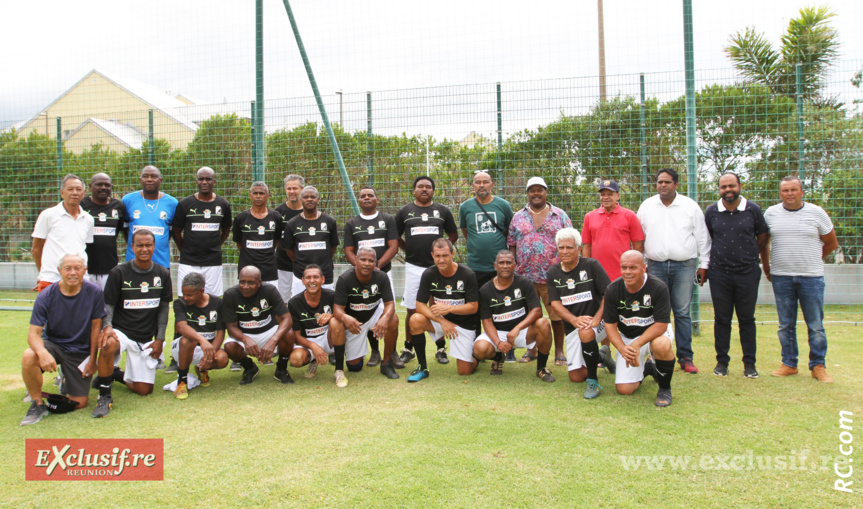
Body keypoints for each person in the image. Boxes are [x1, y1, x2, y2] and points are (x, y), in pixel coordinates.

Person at [20, 254, 113, 425]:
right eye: (67, 268)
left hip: (79, 350)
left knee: (79, 403)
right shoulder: (46, 295)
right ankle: (37, 404)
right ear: (59, 271)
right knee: (29, 355)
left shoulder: (94, 292)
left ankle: (65, 380)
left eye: (78, 268)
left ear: (84, 270)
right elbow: (33, 333)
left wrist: (92, 360)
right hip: (53, 345)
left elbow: (95, 328)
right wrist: (42, 353)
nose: (73, 273)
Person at [762, 176, 838, 383]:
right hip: (781, 277)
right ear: (780, 193)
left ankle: (818, 366)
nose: (789, 193)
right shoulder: (771, 214)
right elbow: (763, 243)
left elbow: (831, 242)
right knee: (785, 324)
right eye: (785, 190)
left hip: (811, 278)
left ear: (802, 192)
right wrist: (767, 267)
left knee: (815, 324)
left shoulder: (816, 213)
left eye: (794, 189)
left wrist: (814, 258)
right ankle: (789, 363)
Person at [637, 168, 710, 374]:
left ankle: (685, 357)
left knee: (682, 312)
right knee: (653, 312)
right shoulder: (647, 206)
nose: (662, 185)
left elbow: (703, 237)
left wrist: (704, 264)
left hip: (684, 266)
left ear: (676, 185)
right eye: (659, 182)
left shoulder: (690, 206)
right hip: (655, 266)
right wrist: (640, 263)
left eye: (667, 182)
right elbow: (640, 237)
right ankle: (652, 354)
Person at [703, 173, 769, 378]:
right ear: (719, 189)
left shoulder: (753, 210)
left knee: (746, 319)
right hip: (719, 273)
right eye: (723, 187)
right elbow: (710, 239)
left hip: (747, 273)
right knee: (721, 319)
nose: (728, 190)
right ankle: (722, 362)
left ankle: (750, 364)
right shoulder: (712, 211)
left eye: (731, 186)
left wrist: (749, 256)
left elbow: (763, 236)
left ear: (739, 186)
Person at [100, 230, 173, 400]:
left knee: (144, 390)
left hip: (145, 337)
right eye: (139, 245)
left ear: (154, 246)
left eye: (148, 245)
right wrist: (108, 327)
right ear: (132, 247)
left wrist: (160, 339)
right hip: (121, 333)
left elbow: (163, 309)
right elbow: (108, 304)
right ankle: (104, 394)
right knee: (108, 344)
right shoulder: (118, 272)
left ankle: (116, 374)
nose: (144, 249)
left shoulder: (163, 273)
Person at [508, 176, 572, 366]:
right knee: (529, 314)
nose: (536, 193)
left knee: (557, 315)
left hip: (553, 276)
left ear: (546, 192)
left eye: (540, 189)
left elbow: (570, 241)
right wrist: (514, 268)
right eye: (532, 190)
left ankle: (559, 351)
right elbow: (512, 243)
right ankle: (532, 349)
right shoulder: (518, 216)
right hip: (525, 277)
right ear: (527, 193)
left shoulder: (559, 215)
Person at [395, 176, 459, 366]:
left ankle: (440, 349)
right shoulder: (405, 211)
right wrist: (409, 250)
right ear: (414, 190)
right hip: (414, 266)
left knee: (436, 305)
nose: (424, 189)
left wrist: (440, 255)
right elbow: (395, 236)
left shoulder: (442, 211)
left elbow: (453, 235)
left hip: (436, 268)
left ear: (433, 190)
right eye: (420, 186)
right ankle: (409, 348)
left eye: (428, 187)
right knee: (412, 308)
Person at [581, 179, 643, 373]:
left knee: (624, 315)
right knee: (601, 315)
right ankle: (604, 353)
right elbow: (587, 246)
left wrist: (635, 271)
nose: (605, 197)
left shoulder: (630, 216)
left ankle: (627, 351)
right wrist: (586, 272)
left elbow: (638, 244)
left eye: (610, 193)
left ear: (618, 196)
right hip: (598, 278)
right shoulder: (590, 217)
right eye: (602, 193)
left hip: (623, 277)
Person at [603, 250, 676, 407]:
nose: (627, 272)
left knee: (661, 345)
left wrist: (637, 345)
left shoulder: (658, 287)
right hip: (628, 337)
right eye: (624, 267)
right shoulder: (613, 289)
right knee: (625, 389)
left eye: (633, 268)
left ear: (644, 268)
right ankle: (649, 368)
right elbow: (610, 325)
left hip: (654, 334)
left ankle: (664, 388)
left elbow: (661, 324)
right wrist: (623, 349)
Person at [547, 228, 613, 399]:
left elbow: (609, 293)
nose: (564, 251)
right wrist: (574, 319)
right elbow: (555, 303)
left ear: (579, 248)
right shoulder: (553, 272)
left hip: (599, 323)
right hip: (574, 327)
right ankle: (601, 356)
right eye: (561, 248)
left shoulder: (591, 265)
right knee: (576, 377)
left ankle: (593, 380)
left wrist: (598, 318)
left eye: (569, 247)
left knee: (586, 332)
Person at [472, 250, 554, 382]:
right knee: (479, 350)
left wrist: (517, 328)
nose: (505, 266)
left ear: (515, 265)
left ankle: (541, 368)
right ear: (495, 266)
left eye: (509, 262)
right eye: (501, 263)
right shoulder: (485, 290)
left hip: (521, 331)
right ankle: (498, 358)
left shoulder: (524, 283)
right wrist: (498, 343)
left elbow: (537, 310)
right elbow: (486, 321)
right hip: (498, 333)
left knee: (543, 323)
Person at [343, 186, 401, 368]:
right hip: (361, 277)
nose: (366, 198)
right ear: (359, 201)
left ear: (377, 199)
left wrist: (376, 267)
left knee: (386, 313)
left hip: (383, 274)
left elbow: (393, 246)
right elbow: (348, 251)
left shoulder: (388, 219)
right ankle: (375, 351)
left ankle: (391, 353)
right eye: (363, 196)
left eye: (370, 195)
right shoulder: (351, 223)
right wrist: (362, 269)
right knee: (366, 309)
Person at [406, 238, 478, 382]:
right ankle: (422, 368)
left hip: (463, 325)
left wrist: (449, 308)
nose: (441, 260)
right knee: (415, 320)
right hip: (442, 322)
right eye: (438, 256)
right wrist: (442, 321)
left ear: (452, 254)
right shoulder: (428, 274)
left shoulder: (467, 274)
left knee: (465, 371)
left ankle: (475, 356)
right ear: (432, 255)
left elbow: (473, 307)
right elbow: (420, 305)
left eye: (445, 255)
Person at [458, 171, 514, 357]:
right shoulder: (465, 207)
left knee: (504, 308)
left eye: (485, 182)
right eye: (478, 182)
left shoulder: (503, 205)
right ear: (472, 185)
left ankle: (507, 347)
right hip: (475, 267)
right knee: (474, 308)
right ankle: (475, 347)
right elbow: (466, 232)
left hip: (499, 269)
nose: (481, 185)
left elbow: (509, 233)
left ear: (492, 184)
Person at [333, 247, 401, 383]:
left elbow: (390, 304)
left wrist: (385, 318)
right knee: (354, 366)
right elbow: (337, 309)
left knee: (393, 318)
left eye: (371, 260)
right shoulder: (344, 279)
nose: (367, 263)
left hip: (374, 313)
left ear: (375, 262)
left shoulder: (381, 277)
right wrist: (346, 317)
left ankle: (386, 363)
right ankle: (359, 351)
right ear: (356, 261)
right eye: (363, 259)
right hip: (355, 323)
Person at [222, 266, 295, 385]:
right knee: (230, 346)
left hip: (269, 331)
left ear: (259, 283)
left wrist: (273, 340)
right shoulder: (230, 295)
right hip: (244, 334)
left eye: (251, 283)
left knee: (288, 334)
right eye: (242, 282)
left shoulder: (270, 290)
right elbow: (231, 327)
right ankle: (250, 367)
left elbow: (287, 319)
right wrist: (245, 339)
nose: (245, 286)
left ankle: (281, 369)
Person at [171, 166, 232, 296]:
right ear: (196, 181)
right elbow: (176, 231)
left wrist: (216, 245)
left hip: (213, 261)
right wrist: (185, 249)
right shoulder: (185, 204)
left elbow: (226, 230)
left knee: (212, 298)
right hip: (188, 261)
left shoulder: (223, 204)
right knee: (186, 297)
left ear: (214, 182)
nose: (204, 182)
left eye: (208, 179)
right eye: (201, 179)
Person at [170, 272, 229, 400]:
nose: (185, 297)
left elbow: (220, 332)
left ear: (201, 291)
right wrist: (201, 339)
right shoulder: (179, 303)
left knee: (223, 358)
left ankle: (202, 370)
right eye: (184, 294)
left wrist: (210, 354)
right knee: (188, 340)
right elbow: (182, 327)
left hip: (207, 348)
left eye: (189, 295)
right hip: (182, 348)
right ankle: (182, 381)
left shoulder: (218, 303)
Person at [31, 174, 94, 292]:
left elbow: (85, 248)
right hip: (51, 279)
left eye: (78, 189)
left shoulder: (88, 219)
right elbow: (36, 249)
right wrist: (44, 275)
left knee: (79, 311)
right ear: (62, 193)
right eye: (70, 189)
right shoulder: (48, 215)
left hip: (79, 280)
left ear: (83, 193)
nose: (74, 193)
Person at [287, 265, 347, 386]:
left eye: (316, 277)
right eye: (308, 277)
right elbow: (296, 336)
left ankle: (339, 370)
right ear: (303, 280)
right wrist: (313, 346)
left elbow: (344, 317)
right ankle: (313, 361)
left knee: (336, 321)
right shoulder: (294, 303)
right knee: (295, 359)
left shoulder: (332, 296)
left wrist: (332, 316)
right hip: (308, 342)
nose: (312, 281)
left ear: (322, 279)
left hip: (328, 338)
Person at [284, 186, 339, 297]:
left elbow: (332, 246)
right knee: (300, 307)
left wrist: (324, 260)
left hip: (325, 274)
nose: (309, 199)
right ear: (301, 200)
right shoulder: (292, 223)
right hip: (301, 275)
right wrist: (300, 262)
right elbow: (289, 249)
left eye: (312, 197)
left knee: (327, 309)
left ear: (318, 200)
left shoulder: (329, 221)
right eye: (306, 197)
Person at [122, 165, 178, 270]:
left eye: (153, 176)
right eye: (145, 176)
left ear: (160, 180)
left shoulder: (172, 203)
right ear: (141, 180)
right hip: (133, 262)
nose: (149, 179)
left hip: (161, 263)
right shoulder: (128, 200)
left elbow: (171, 231)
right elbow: (124, 228)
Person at [232, 182, 283, 287]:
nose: (258, 196)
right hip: (247, 269)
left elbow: (276, 240)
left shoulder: (276, 217)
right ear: (250, 196)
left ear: (267, 196)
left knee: (270, 301)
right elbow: (239, 243)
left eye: (261, 193)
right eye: (255, 193)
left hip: (269, 269)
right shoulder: (241, 218)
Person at [80, 173, 126, 290]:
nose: (103, 187)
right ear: (90, 186)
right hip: (85, 268)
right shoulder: (82, 205)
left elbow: (125, 231)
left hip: (109, 267)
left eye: (107, 185)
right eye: (99, 184)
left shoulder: (118, 206)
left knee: (108, 305)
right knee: (86, 304)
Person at [275, 174, 305, 301]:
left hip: (304, 265)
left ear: (302, 189)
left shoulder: (310, 212)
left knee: (302, 301)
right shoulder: (277, 213)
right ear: (285, 190)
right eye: (289, 188)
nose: (292, 191)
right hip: (283, 265)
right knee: (282, 301)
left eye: (295, 188)